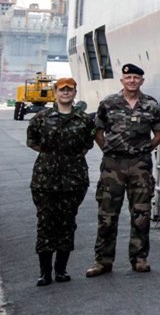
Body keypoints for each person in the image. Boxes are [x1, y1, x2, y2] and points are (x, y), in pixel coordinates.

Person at [87, 63, 160, 277]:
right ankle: (102, 260)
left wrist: (144, 149)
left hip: (140, 166)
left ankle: (139, 258)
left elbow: (159, 133)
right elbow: (98, 130)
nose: (132, 81)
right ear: (122, 80)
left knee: (141, 213)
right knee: (107, 215)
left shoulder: (150, 105)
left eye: (136, 78)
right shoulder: (108, 103)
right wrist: (109, 150)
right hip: (113, 166)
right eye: (128, 77)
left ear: (142, 81)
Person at [26, 77, 94, 286]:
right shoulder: (41, 118)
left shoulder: (83, 120)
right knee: (45, 225)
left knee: (67, 224)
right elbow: (32, 141)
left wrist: (68, 158)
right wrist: (53, 156)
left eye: (70, 90)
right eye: (62, 89)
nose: (66, 93)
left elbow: (87, 144)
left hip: (73, 181)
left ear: (74, 93)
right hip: (45, 181)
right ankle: (45, 273)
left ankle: (61, 270)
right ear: (55, 91)